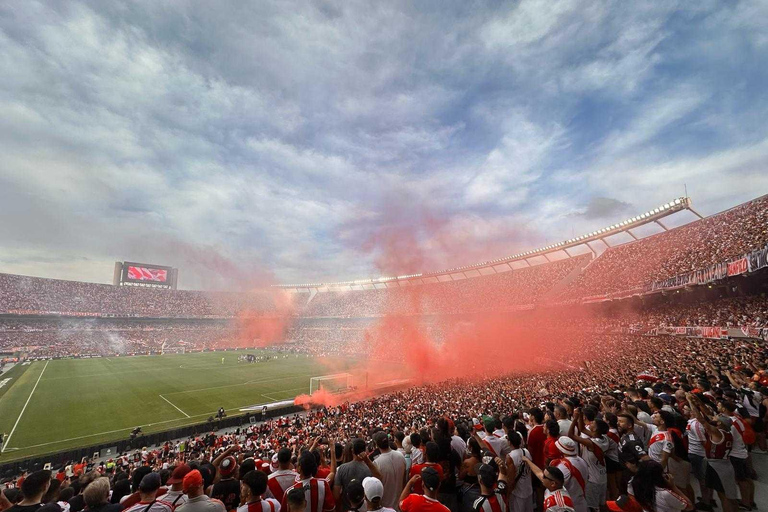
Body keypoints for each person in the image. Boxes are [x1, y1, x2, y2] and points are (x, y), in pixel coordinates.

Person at [567, 410, 608, 512]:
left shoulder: (591, 443)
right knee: (602, 504)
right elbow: (582, 429)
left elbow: (571, 435)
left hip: (593, 480)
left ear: (596, 429)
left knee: (592, 507)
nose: (591, 423)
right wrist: (581, 415)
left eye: (593, 423)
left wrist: (575, 419)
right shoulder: (604, 438)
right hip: (602, 476)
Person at [334, 440, 382, 511]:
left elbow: (336, 495)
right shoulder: (370, 468)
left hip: (347, 508)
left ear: (352, 451)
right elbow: (379, 478)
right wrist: (367, 460)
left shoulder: (342, 468)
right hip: (365, 508)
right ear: (365, 450)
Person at [549, 438, 587, 512]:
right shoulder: (581, 460)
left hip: (570, 505)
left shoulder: (563, 466)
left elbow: (552, 486)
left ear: (560, 450)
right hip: (582, 502)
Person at [372, 432, 407, 510]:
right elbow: (404, 480)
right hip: (400, 504)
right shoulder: (401, 456)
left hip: (386, 506)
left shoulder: (377, 463)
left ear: (376, 445)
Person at [504, 431, 532, 512]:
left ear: (509, 442)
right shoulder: (526, 451)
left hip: (518, 492)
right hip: (528, 488)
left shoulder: (510, 457)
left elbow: (511, 479)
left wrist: (508, 494)